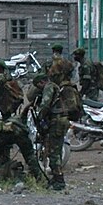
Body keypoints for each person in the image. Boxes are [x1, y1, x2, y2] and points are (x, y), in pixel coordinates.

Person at [35, 59, 75, 191]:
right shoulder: (56, 87)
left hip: (57, 121)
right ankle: (56, 178)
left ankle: (59, 180)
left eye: (38, 86)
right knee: (54, 150)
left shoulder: (49, 87)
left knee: (54, 151)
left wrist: (40, 117)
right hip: (60, 120)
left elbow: (45, 105)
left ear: (42, 82)